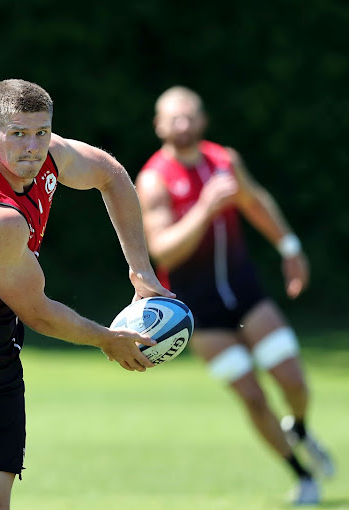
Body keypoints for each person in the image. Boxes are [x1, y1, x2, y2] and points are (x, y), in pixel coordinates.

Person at [0, 78, 174, 509]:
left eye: (41, 131)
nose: (33, 146)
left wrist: (142, 273)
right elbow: (38, 312)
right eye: (18, 134)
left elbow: (111, 175)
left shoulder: (49, 154)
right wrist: (106, 339)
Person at [134, 86, 335, 505]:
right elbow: (163, 249)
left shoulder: (224, 161)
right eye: (174, 117)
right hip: (198, 310)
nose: (183, 124)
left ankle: (298, 427)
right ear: (159, 125)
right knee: (252, 395)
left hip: (247, 294)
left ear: (203, 119)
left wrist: (290, 248)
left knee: (294, 381)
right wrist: (205, 209)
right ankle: (302, 476)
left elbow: (255, 201)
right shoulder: (154, 179)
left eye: (190, 115)